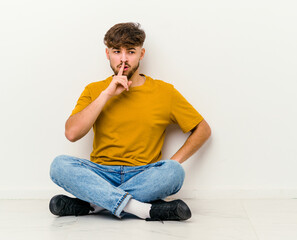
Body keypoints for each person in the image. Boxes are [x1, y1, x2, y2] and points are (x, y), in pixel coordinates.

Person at [49, 22, 211, 221]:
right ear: (107, 54)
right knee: (59, 165)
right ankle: (143, 209)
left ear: (141, 54)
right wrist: (107, 94)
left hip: (143, 174)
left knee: (174, 171)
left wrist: (171, 162)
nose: (123, 59)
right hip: (102, 173)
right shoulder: (94, 90)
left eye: (131, 52)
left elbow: (203, 129)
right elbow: (72, 133)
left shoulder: (164, 92)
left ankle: (94, 205)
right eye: (117, 51)